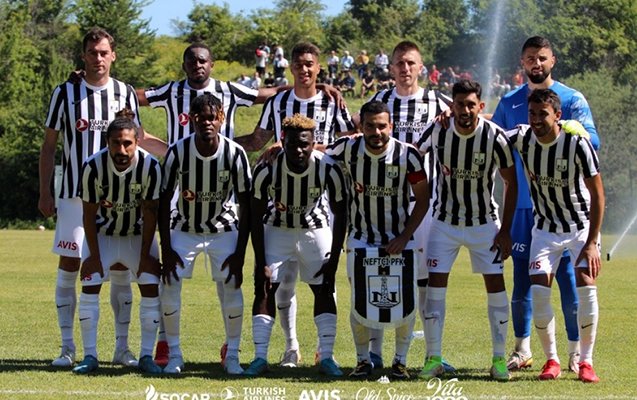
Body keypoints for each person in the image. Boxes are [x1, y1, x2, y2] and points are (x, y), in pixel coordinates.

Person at [39, 27, 161, 369]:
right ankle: (67, 348)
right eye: (92, 53)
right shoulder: (65, 92)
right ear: (83, 56)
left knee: (120, 268)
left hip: (120, 196)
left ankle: (122, 349)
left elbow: (138, 137)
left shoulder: (125, 92)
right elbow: (49, 145)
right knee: (70, 266)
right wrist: (45, 190)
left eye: (104, 52)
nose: (98, 58)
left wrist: (176, 152)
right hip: (74, 195)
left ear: (113, 56)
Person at [235, 41, 355, 368]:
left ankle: (325, 354)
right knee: (280, 285)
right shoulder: (279, 101)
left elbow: (351, 139)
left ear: (318, 67)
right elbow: (258, 140)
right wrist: (222, 143)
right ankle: (289, 347)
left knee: (324, 284)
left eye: (309, 64)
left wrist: (314, 149)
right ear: (290, 67)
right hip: (280, 206)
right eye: (299, 64)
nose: (304, 69)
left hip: (319, 205)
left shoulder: (331, 101)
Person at [491, 36, 600, 373]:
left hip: (567, 210)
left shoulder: (572, 98)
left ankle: (576, 353)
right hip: (527, 207)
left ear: (552, 60)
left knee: (570, 279)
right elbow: (492, 138)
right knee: (525, 280)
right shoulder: (510, 101)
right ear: (522, 62)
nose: (536, 64)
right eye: (530, 58)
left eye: (541, 58)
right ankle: (523, 349)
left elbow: (593, 142)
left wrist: (575, 129)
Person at [417, 80, 517, 382]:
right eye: (459, 104)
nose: (465, 110)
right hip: (444, 223)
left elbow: (511, 183)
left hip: (484, 224)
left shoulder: (494, 136)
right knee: (435, 287)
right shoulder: (438, 130)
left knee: (496, 286)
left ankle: (499, 359)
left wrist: (506, 230)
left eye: (471, 104)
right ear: (452, 106)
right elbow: (411, 154)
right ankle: (433, 357)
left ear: (480, 106)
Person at [363, 40, 452, 371]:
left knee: (427, 282)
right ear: (391, 67)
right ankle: (374, 354)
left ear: (421, 67)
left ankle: (432, 354)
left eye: (411, 63)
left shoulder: (437, 102)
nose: (405, 68)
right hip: (384, 204)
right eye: (399, 63)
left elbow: (469, 118)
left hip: (424, 204)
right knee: (378, 276)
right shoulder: (380, 100)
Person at [506, 88, 604, 383]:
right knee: (539, 291)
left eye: (543, 114)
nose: (536, 120)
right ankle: (552, 360)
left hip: (580, 227)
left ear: (558, 115)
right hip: (545, 229)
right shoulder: (522, 138)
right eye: (532, 113)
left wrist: (591, 243)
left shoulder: (577, 144)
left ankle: (585, 361)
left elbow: (598, 195)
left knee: (586, 284)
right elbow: (490, 134)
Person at [326, 101, 429, 380]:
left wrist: (404, 237)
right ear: (361, 127)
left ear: (391, 126)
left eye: (382, 126)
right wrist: (279, 146)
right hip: (361, 238)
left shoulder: (408, 155)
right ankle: (363, 360)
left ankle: (400, 362)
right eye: (370, 126)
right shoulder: (348, 148)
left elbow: (422, 199)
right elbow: (317, 152)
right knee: (360, 301)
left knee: (405, 301)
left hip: (399, 239)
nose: (376, 132)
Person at [243, 114, 347, 377]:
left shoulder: (328, 168)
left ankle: (327, 357)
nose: (299, 150)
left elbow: (341, 213)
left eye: (304, 144)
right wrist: (260, 261)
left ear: (313, 143)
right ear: (282, 141)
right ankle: (259, 357)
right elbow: (255, 216)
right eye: (292, 144)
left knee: (324, 288)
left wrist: (334, 260)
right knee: (264, 288)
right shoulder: (267, 169)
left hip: (315, 230)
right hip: (277, 229)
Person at [158, 94, 251, 375]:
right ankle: (174, 354)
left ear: (221, 118)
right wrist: (166, 248)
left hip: (223, 228)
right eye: (201, 118)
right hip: (184, 227)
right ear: (191, 119)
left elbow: (246, 204)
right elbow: (163, 200)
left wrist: (240, 254)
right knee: (170, 283)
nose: (207, 123)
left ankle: (232, 355)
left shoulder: (235, 153)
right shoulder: (177, 152)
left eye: (212, 117)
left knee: (232, 284)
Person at [72, 112, 163, 375]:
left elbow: (150, 213)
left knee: (150, 287)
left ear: (137, 142)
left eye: (127, 143)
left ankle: (146, 356)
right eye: (116, 143)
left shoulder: (150, 166)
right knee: (90, 286)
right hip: (103, 235)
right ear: (107, 143)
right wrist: (93, 256)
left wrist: (145, 256)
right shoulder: (92, 166)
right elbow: (88, 215)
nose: (121, 150)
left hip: (137, 236)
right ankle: (90, 356)